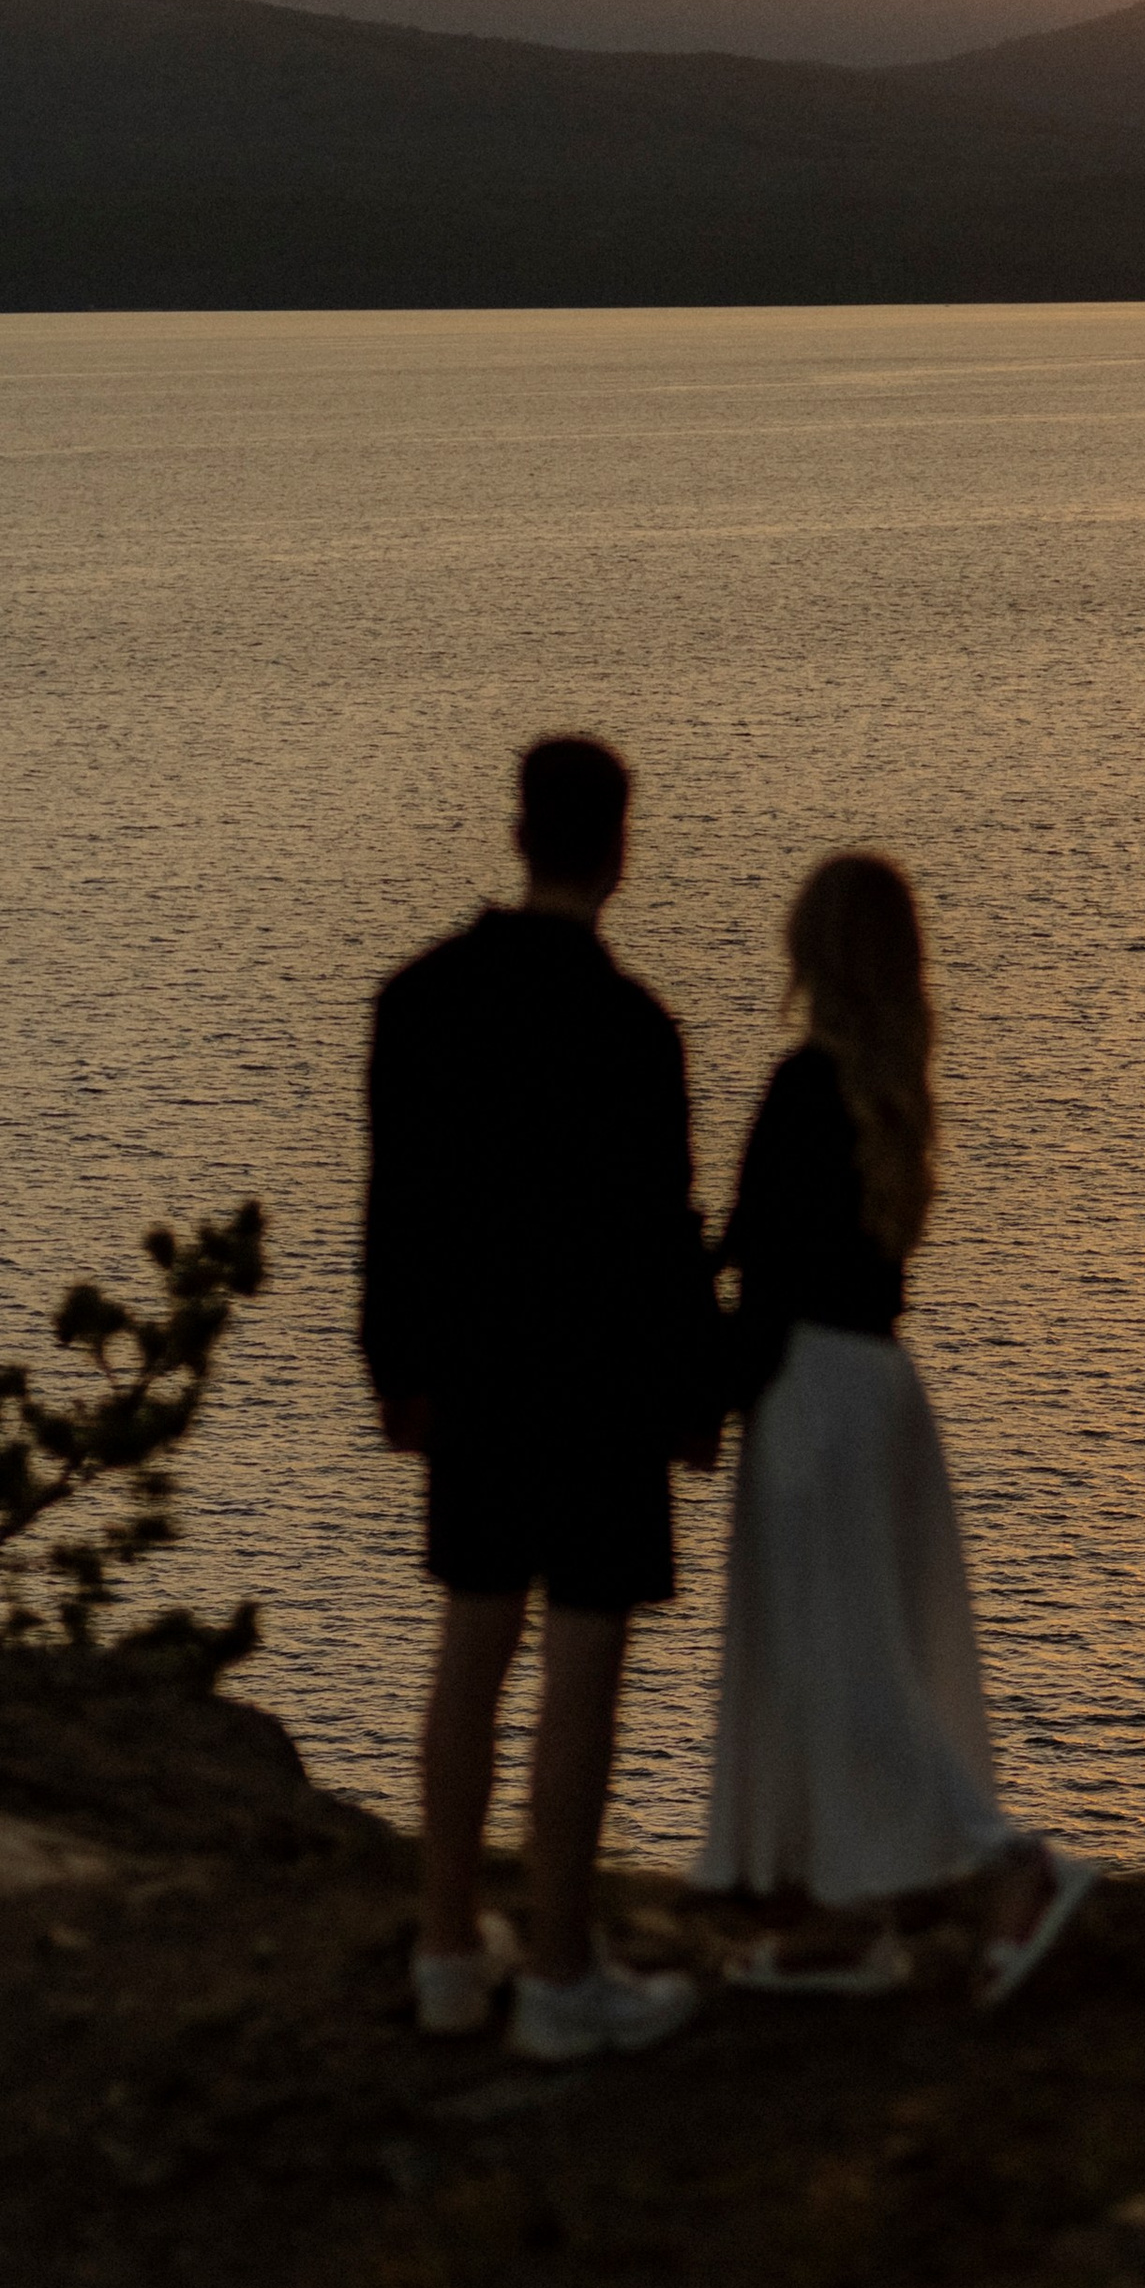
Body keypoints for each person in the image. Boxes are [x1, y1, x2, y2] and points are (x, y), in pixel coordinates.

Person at [361, 735, 722, 2064]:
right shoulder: (636, 1032)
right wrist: (695, 1396)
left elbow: (390, 1213)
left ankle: (448, 1947)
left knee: (472, 1640)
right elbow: (665, 1237)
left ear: (518, 834)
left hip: (469, 1376)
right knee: (580, 1660)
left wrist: (392, 1372)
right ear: (619, 849)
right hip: (601, 1380)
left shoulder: (418, 1001)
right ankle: (564, 1970)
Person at [692, 850, 1095, 2007]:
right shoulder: (892, 1095)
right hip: (878, 1387)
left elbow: (764, 1268)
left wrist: (704, 1386)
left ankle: (1012, 1866)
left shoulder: (803, 1087)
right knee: (842, 1653)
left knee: (845, 1665)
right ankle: (848, 1914)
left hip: (809, 1392)